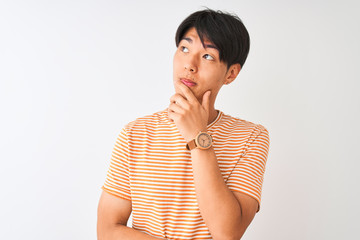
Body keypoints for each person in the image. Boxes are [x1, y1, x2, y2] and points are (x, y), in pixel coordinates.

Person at [97, 8, 270, 240]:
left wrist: (198, 136)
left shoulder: (252, 137)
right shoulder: (136, 133)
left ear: (231, 74)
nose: (189, 64)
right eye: (184, 48)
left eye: (208, 56)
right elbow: (107, 231)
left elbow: (227, 233)